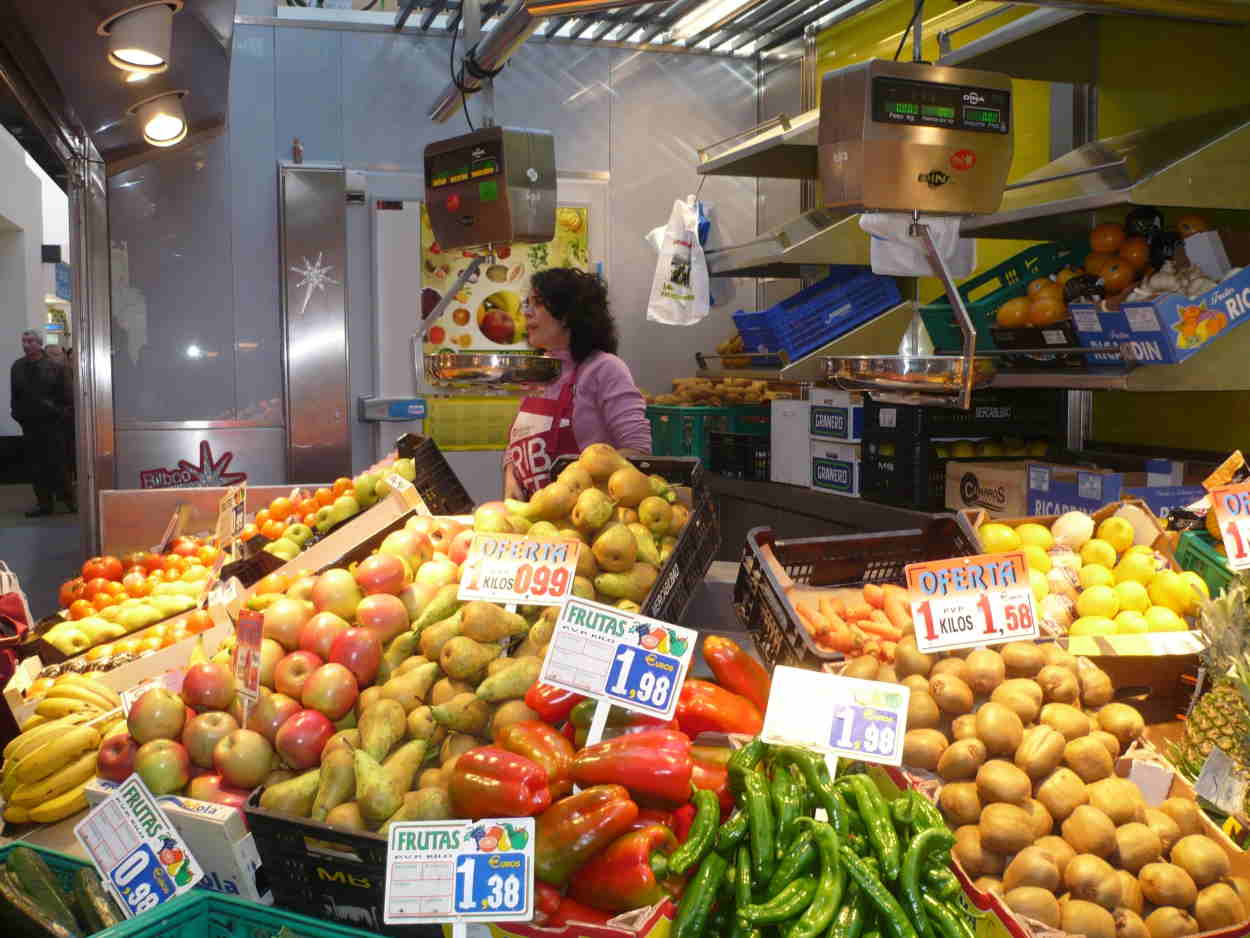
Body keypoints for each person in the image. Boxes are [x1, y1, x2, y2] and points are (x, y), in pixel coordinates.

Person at [505, 268, 651, 498]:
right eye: (527, 303)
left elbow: (637, 450)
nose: (527, 313)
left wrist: (590, 490)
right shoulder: (538, 368)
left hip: (583, 520)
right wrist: (510, 474)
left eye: (539, 303)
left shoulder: (604, 368)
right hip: (532, 520)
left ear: (567, 315)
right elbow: (522, 438)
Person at [10, 330, 74, 516]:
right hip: (30, 425)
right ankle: (44, 504)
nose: (26, 344)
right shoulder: (17, 367)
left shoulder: (56, 367)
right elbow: (15, 396)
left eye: (30, 341)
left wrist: (60, 415)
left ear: (39, 343)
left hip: (54, 425)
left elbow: (68, 397)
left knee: (59, 465)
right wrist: (17, 415)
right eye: (24, 341)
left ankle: (69, 500)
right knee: (36, 467)